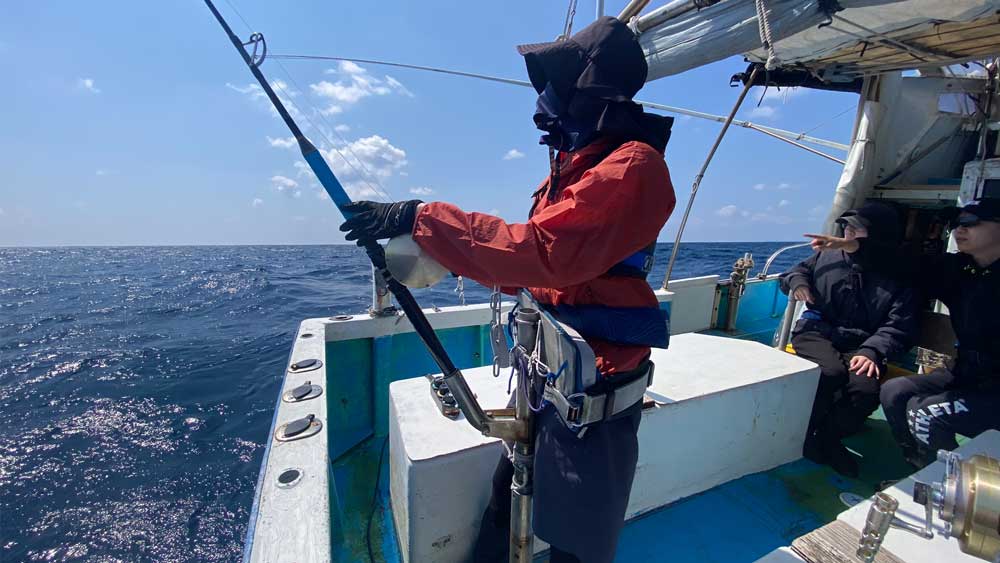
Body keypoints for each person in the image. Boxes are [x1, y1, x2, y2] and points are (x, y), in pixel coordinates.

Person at [339, 17, 676, 563]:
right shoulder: (577, 167)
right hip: (549, 374)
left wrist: (421, 218)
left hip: (594, 390)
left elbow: (546, 255)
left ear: (586, 86)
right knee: (506, 498)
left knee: (577, 544)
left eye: (554, 82)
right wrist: (425, 245)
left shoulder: (632, 167)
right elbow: (530, 267)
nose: (543, 100)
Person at [809, 199, 1000, 467]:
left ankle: (950, 485)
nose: (959, 230)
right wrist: (853, 246)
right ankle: (921, 464)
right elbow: (902, 263)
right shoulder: (961, 270)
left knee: (926, 414)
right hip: (968, 371)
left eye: (969, 223)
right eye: (956, 224)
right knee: (895, 391)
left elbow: (900, 319)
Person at [779, 202, 918, 477]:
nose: (848, 232)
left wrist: (872, 351)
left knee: (864, 391)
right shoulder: (828, 256)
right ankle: (803, 433)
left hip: (863, 344)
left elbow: (898, 325)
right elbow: (794, 272)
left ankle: (828, 438)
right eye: (846, 226)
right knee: (829, 372)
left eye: (857, 228)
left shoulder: (902, 275)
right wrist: (798, 283)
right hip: (816, 331)